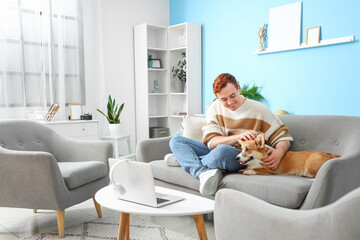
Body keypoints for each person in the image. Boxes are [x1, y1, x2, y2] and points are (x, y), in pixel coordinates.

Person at [169, 73, 293, 196]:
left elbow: (282, 136)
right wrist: (237, 137)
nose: (230, 102)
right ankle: (202, 173)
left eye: (232, 96)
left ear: (238, 88)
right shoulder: (214, 108)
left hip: (238, 156)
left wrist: (279, 152)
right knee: (176, 141)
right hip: (215, 152)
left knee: (222, 151)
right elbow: (211, 142)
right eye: (223, 99)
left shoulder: (259, 110)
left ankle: (185, 160)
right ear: (217, 97)